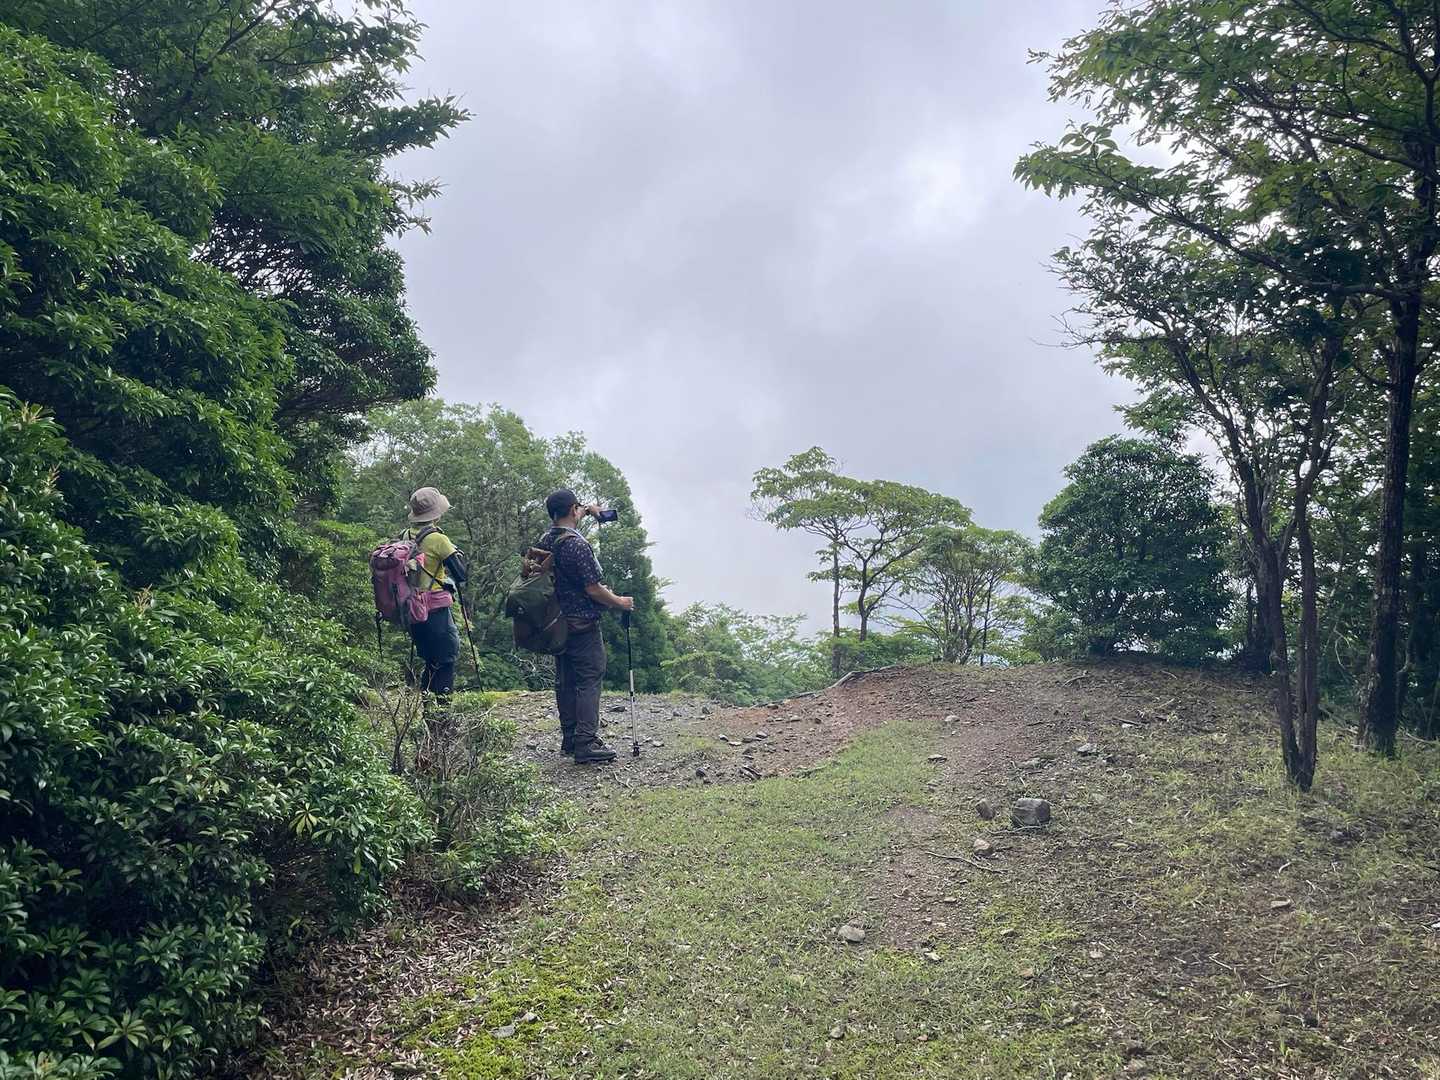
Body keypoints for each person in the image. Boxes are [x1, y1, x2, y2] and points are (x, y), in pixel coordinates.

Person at [539, 488, 634, 764]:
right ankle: (586, 742)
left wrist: (585, 512)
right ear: (573, 509)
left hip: (556, 624)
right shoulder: (577, 545)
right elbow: (593, 588)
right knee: (590, 678)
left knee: (566, 681)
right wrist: (620, 602)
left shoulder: (545, 540)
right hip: (582, 624)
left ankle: (570, 739)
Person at [402, 486, 468, 699]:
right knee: (446, 659)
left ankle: (428, 710)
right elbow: (461, 574)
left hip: (413, 610)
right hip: (435, 610)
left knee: (430, 661)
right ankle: (442, 713)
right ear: (436, 514)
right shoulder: (438, 539)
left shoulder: (405, 535)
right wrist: (455, 552)